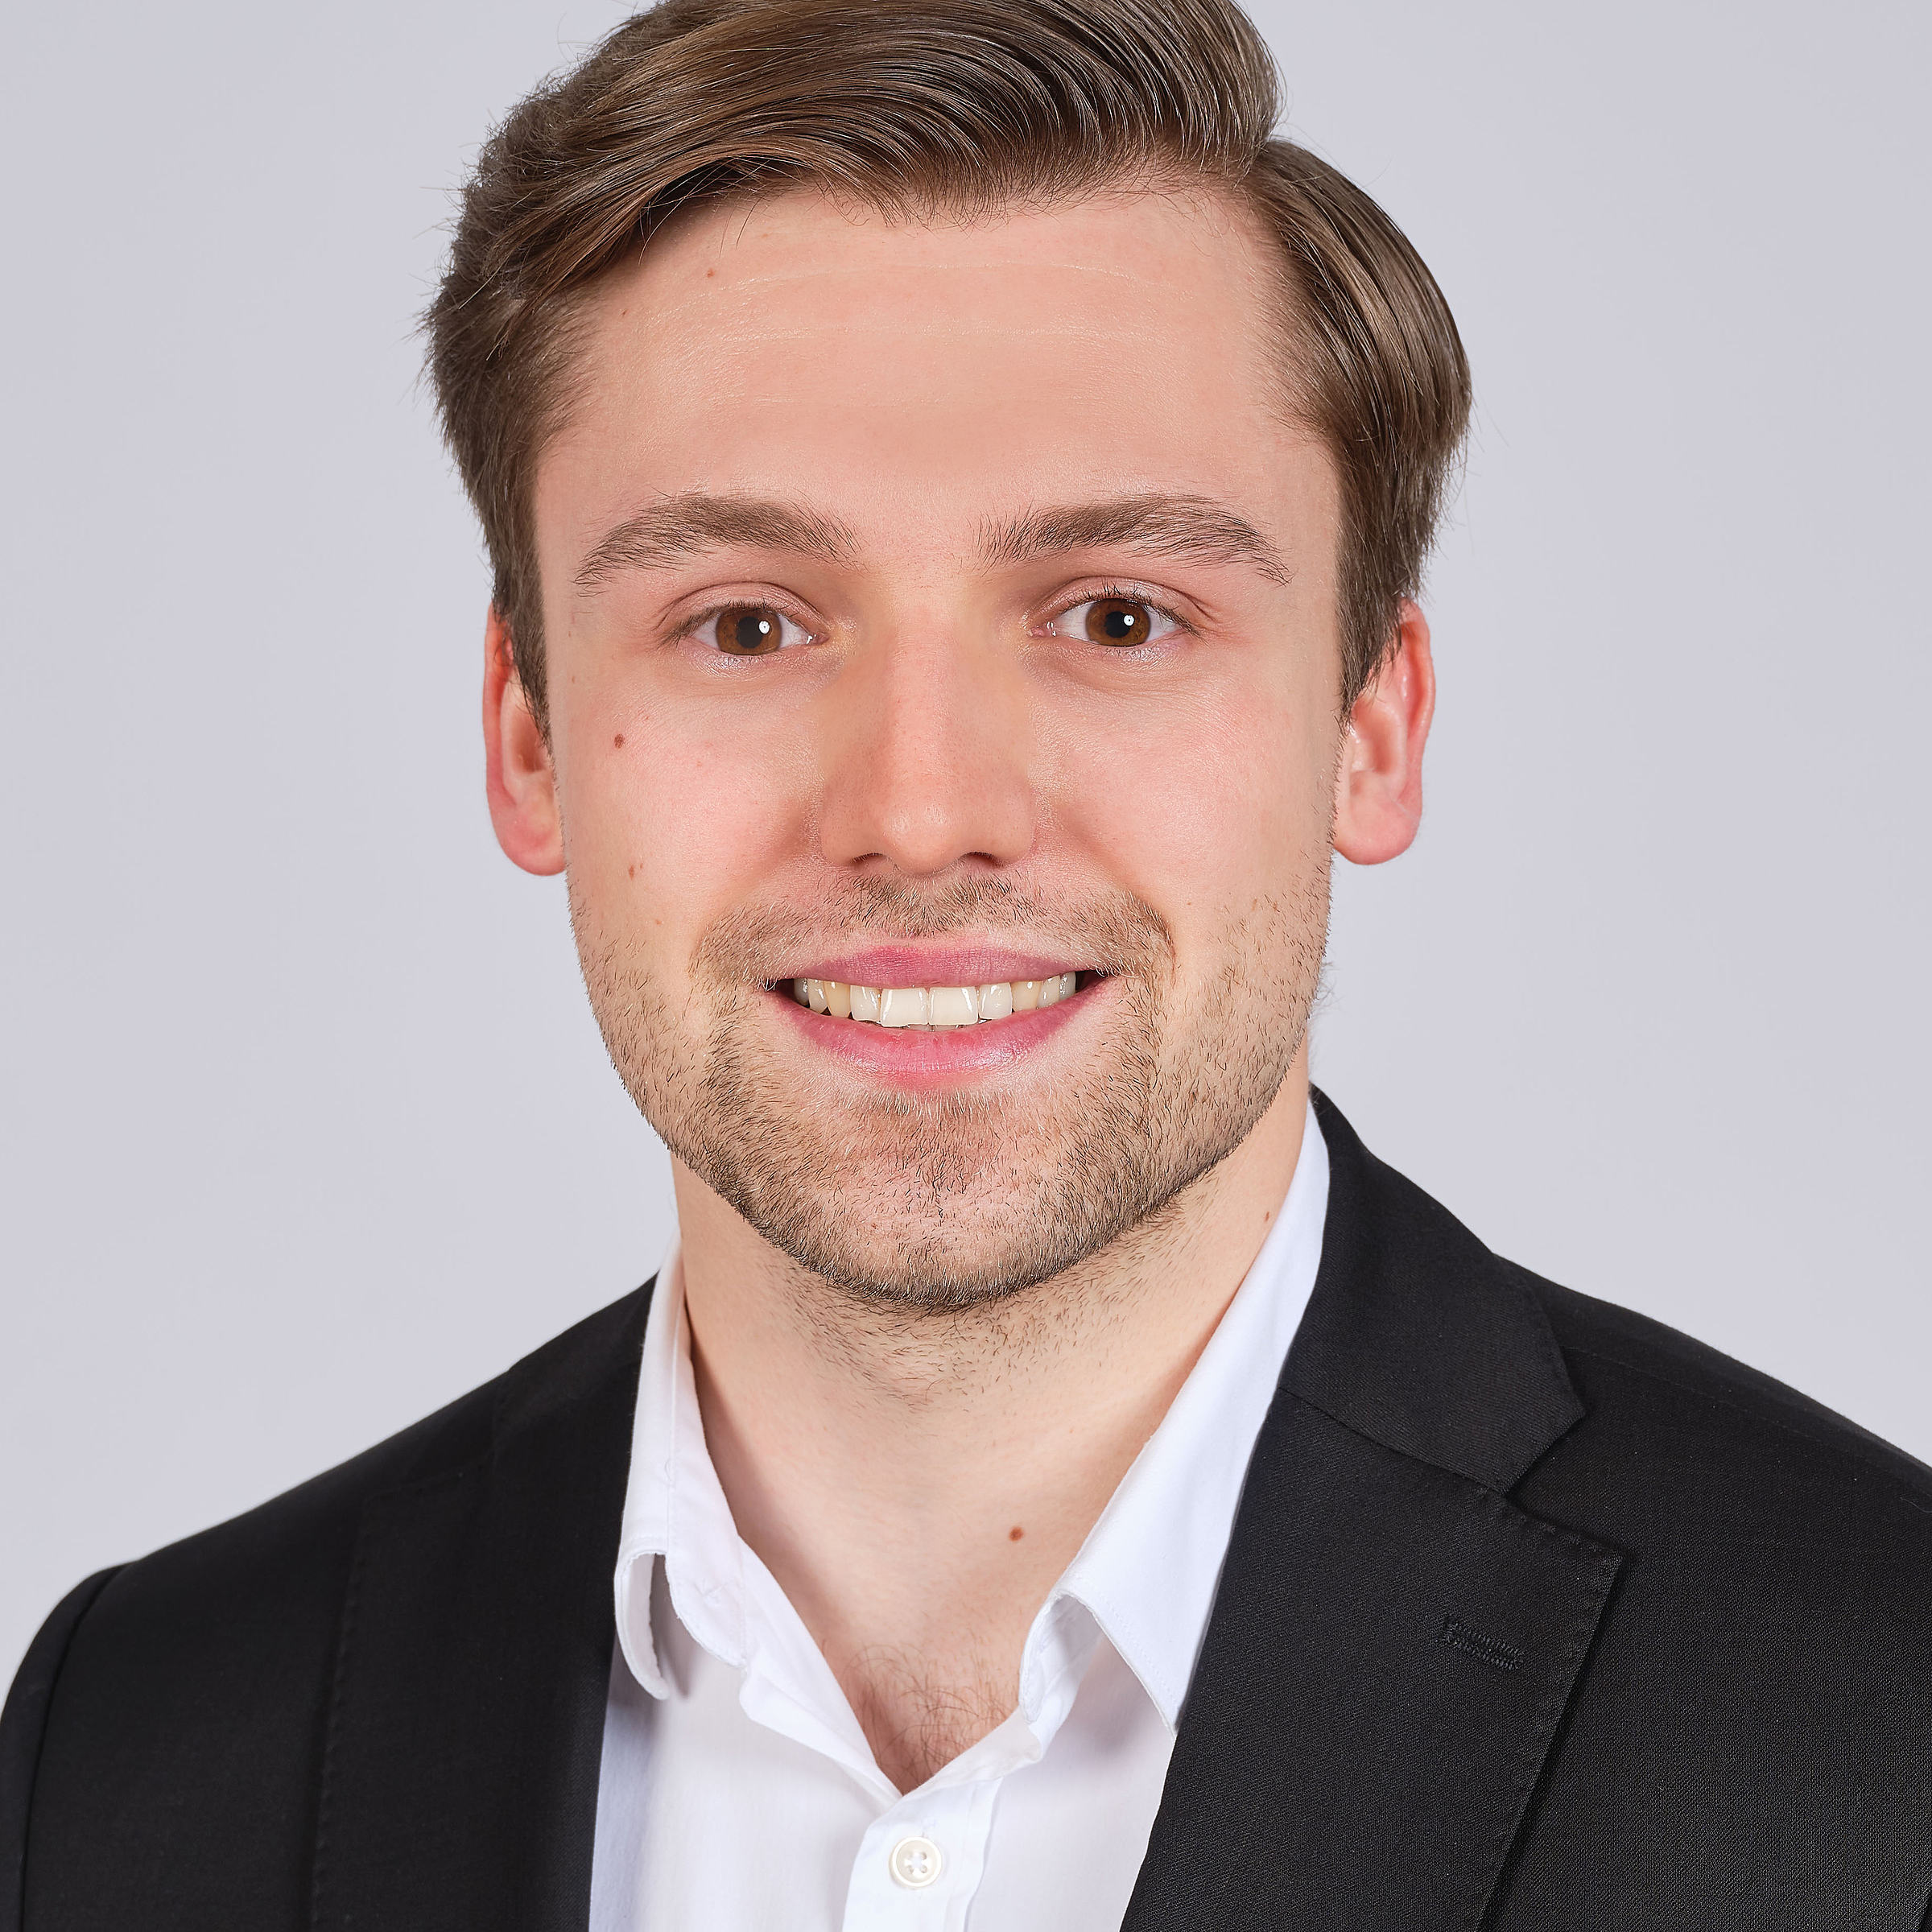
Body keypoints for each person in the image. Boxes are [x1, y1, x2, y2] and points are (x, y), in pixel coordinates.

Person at [5, 0, 1930, 1925]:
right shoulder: (133, 1751)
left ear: (1372, 724)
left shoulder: (1883, 1713)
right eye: (747, 625)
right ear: (527, 737)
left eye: (1118, 616)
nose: (922, 814)